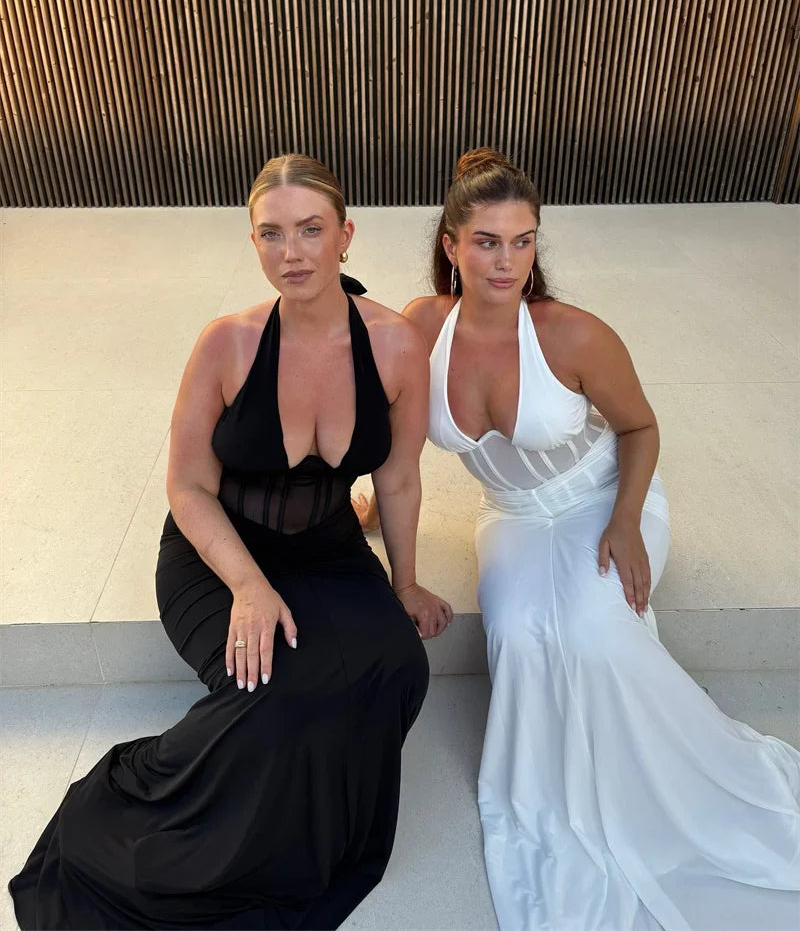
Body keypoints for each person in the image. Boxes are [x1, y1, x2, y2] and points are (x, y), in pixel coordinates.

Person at [355, 148, 800, 931]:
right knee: (521, 637)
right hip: (513, 515)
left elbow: (640, 428)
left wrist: (625, 521)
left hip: (603, 496)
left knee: (596, 633)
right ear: (451, 244)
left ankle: (683, 799)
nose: (507, 261)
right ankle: (561, 812)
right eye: (487, 242)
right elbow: (392, 446)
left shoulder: (573, 334)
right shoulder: (422, 326)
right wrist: (386, 544)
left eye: (523, 241)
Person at [10, 153, 453, 930]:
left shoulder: (395, 345)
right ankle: (174, 839)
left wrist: (406, 582)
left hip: (325, 545)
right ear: (253, 243)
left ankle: (311, 838)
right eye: (271, 234)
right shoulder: (228, 344)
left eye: (310, 230)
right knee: (274, 689)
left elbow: (399, 479)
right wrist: (249, 586)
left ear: (345, 235)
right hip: (215, 550)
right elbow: (187, 487)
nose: (292, 252)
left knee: (396, 668)